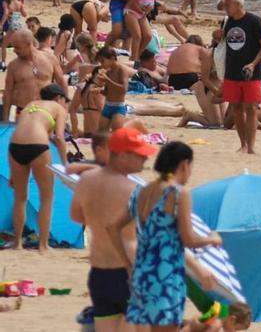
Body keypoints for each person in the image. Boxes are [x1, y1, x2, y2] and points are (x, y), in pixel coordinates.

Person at [105, 141, 222, 332]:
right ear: (184, 164)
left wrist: (128, 264)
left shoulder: (141, 191)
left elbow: (112, 227)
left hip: (142, 272)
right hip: (166, 275)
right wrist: (212, 239)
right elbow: (188, 239)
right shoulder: (177, 193)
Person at [71, 127, 154, 330]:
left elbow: (76, 216)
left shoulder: (86, 181)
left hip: (99, 271)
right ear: (123, 155)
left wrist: (98, 220)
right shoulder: (133, 190)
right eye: (140, 155)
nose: (145, 159)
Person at [7, 84, 69, 252]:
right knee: (46, 197)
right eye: (65, 101)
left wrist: (13, 173)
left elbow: (23, 128)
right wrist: (65, 165)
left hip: (14, 146)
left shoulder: (30, 105)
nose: (65, 105)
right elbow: (60, 138)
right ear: (58, 98)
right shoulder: (58, 108)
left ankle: (17, 243)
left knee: (20, 197)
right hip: (38, 146)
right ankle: (43, 244)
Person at [220, 0, 261, 154]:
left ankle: (251, 146)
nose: (226, 7)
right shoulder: (228, 22)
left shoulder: (254, 21)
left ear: (238, 5)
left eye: (228, 5)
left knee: (251, 108)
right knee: (236, 109)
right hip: (232, 71)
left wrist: (253, 64)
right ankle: (243, 144)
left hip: (250, 72)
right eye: (226, 5)